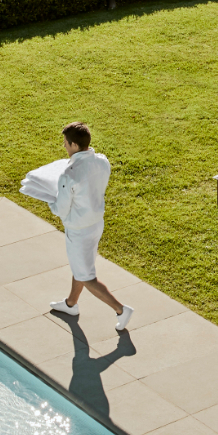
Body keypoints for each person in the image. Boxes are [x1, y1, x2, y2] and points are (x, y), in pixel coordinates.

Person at [49, 122, 133, 331]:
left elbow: (60, 208)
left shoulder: (69, 174)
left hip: (78, 231)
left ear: (74, 145)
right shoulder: (102, 162)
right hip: (96, 224)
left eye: (66, 144)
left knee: (87, 276)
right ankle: (71, 304)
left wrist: (50, 198)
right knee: (82, 267)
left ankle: (121, 310)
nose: (65, 147)